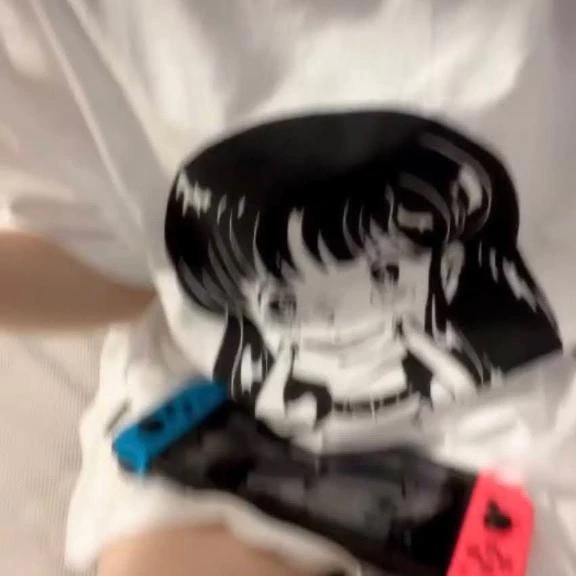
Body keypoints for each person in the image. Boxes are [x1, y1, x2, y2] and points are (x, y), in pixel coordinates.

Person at [2, 1, 576, 575]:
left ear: (448, 268)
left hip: (537, 409)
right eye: (286, 296)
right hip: (230, 415)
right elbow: (111, 258)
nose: (338, 319)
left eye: (385, 275)